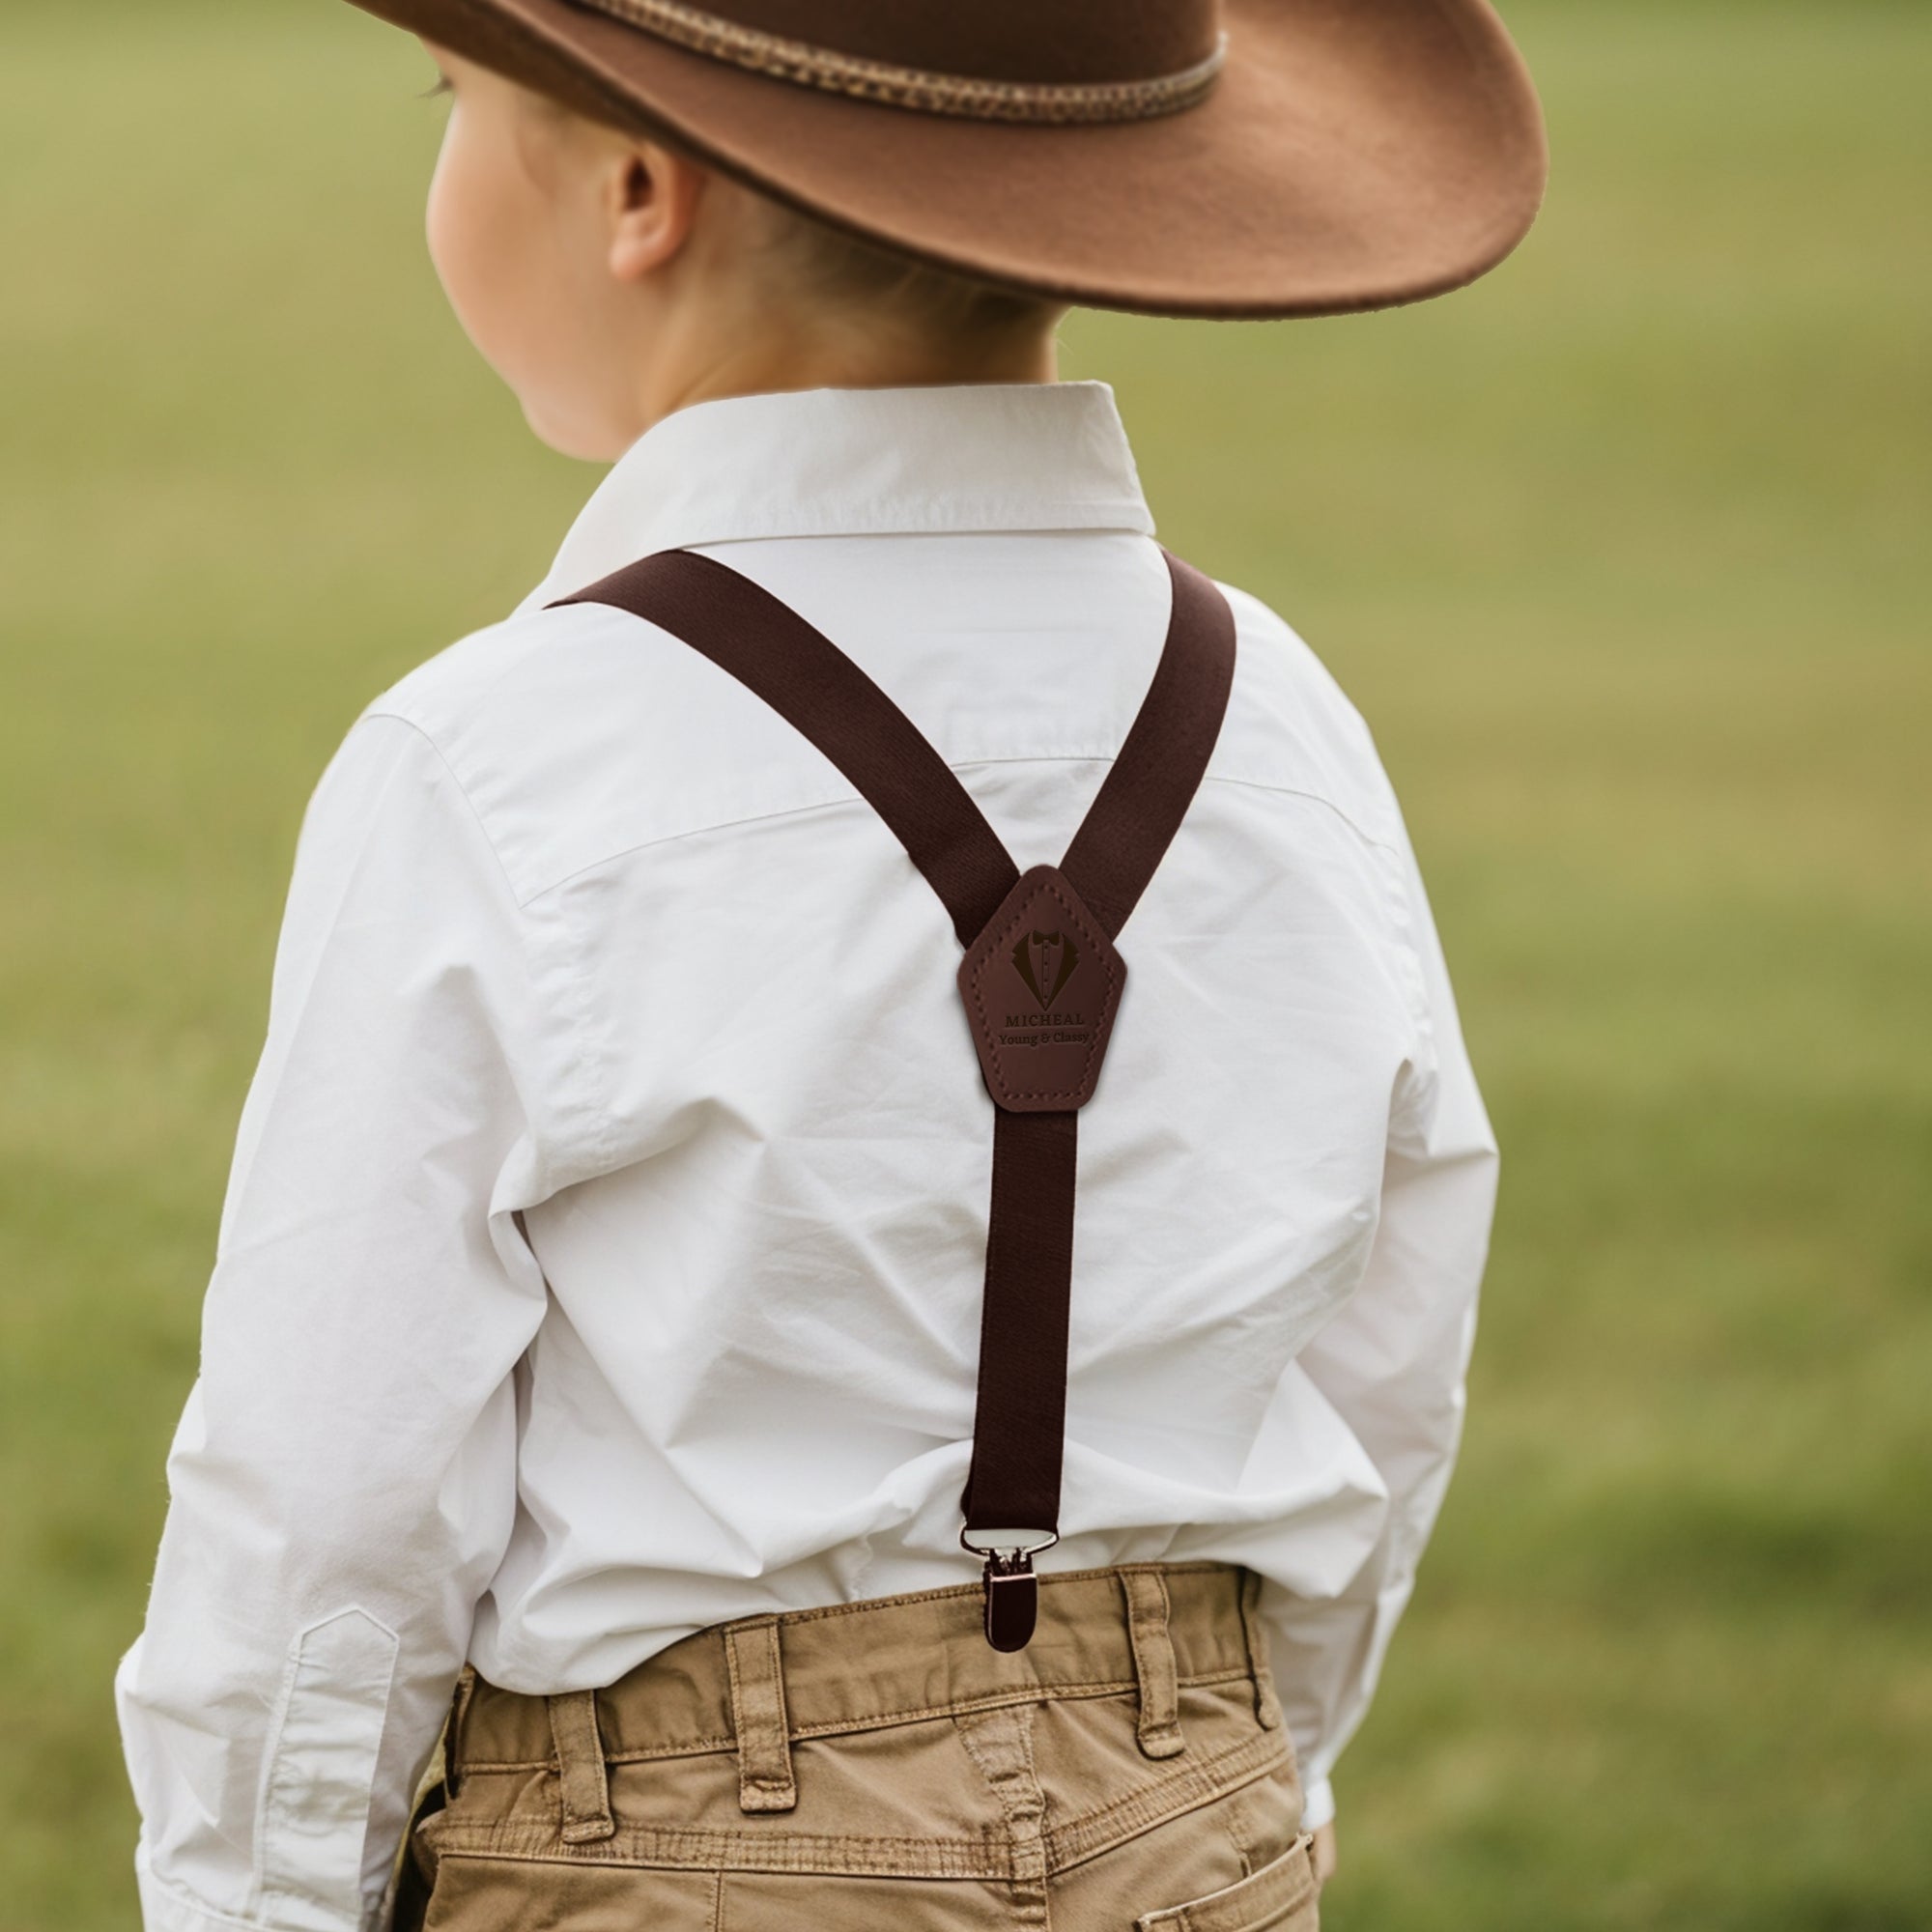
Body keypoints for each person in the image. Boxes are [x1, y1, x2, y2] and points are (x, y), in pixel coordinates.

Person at [114, 5, 1545, 1928]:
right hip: (1192, 1817)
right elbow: (1387, 1352)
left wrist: (254, 1900)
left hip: (683, 1854)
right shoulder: (1283, 723)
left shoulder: (501, 758)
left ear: (638, 191)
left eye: (455, 105)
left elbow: (329, 1503)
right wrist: (1226, 1754)